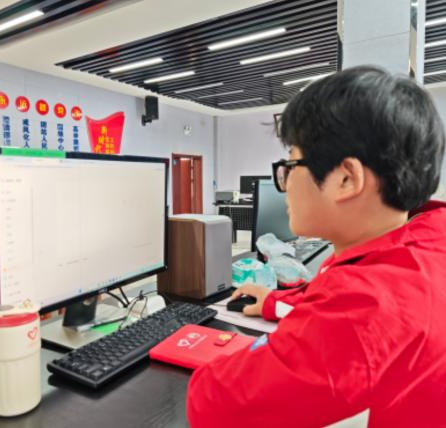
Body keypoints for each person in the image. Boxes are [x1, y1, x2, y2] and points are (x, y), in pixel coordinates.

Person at [187, 66, 446, 427]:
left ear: (346, 178)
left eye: (291, 164)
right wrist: (274, 302)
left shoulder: (367, 304)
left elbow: (216, 405)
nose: (285, 181)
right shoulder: (428, 239)